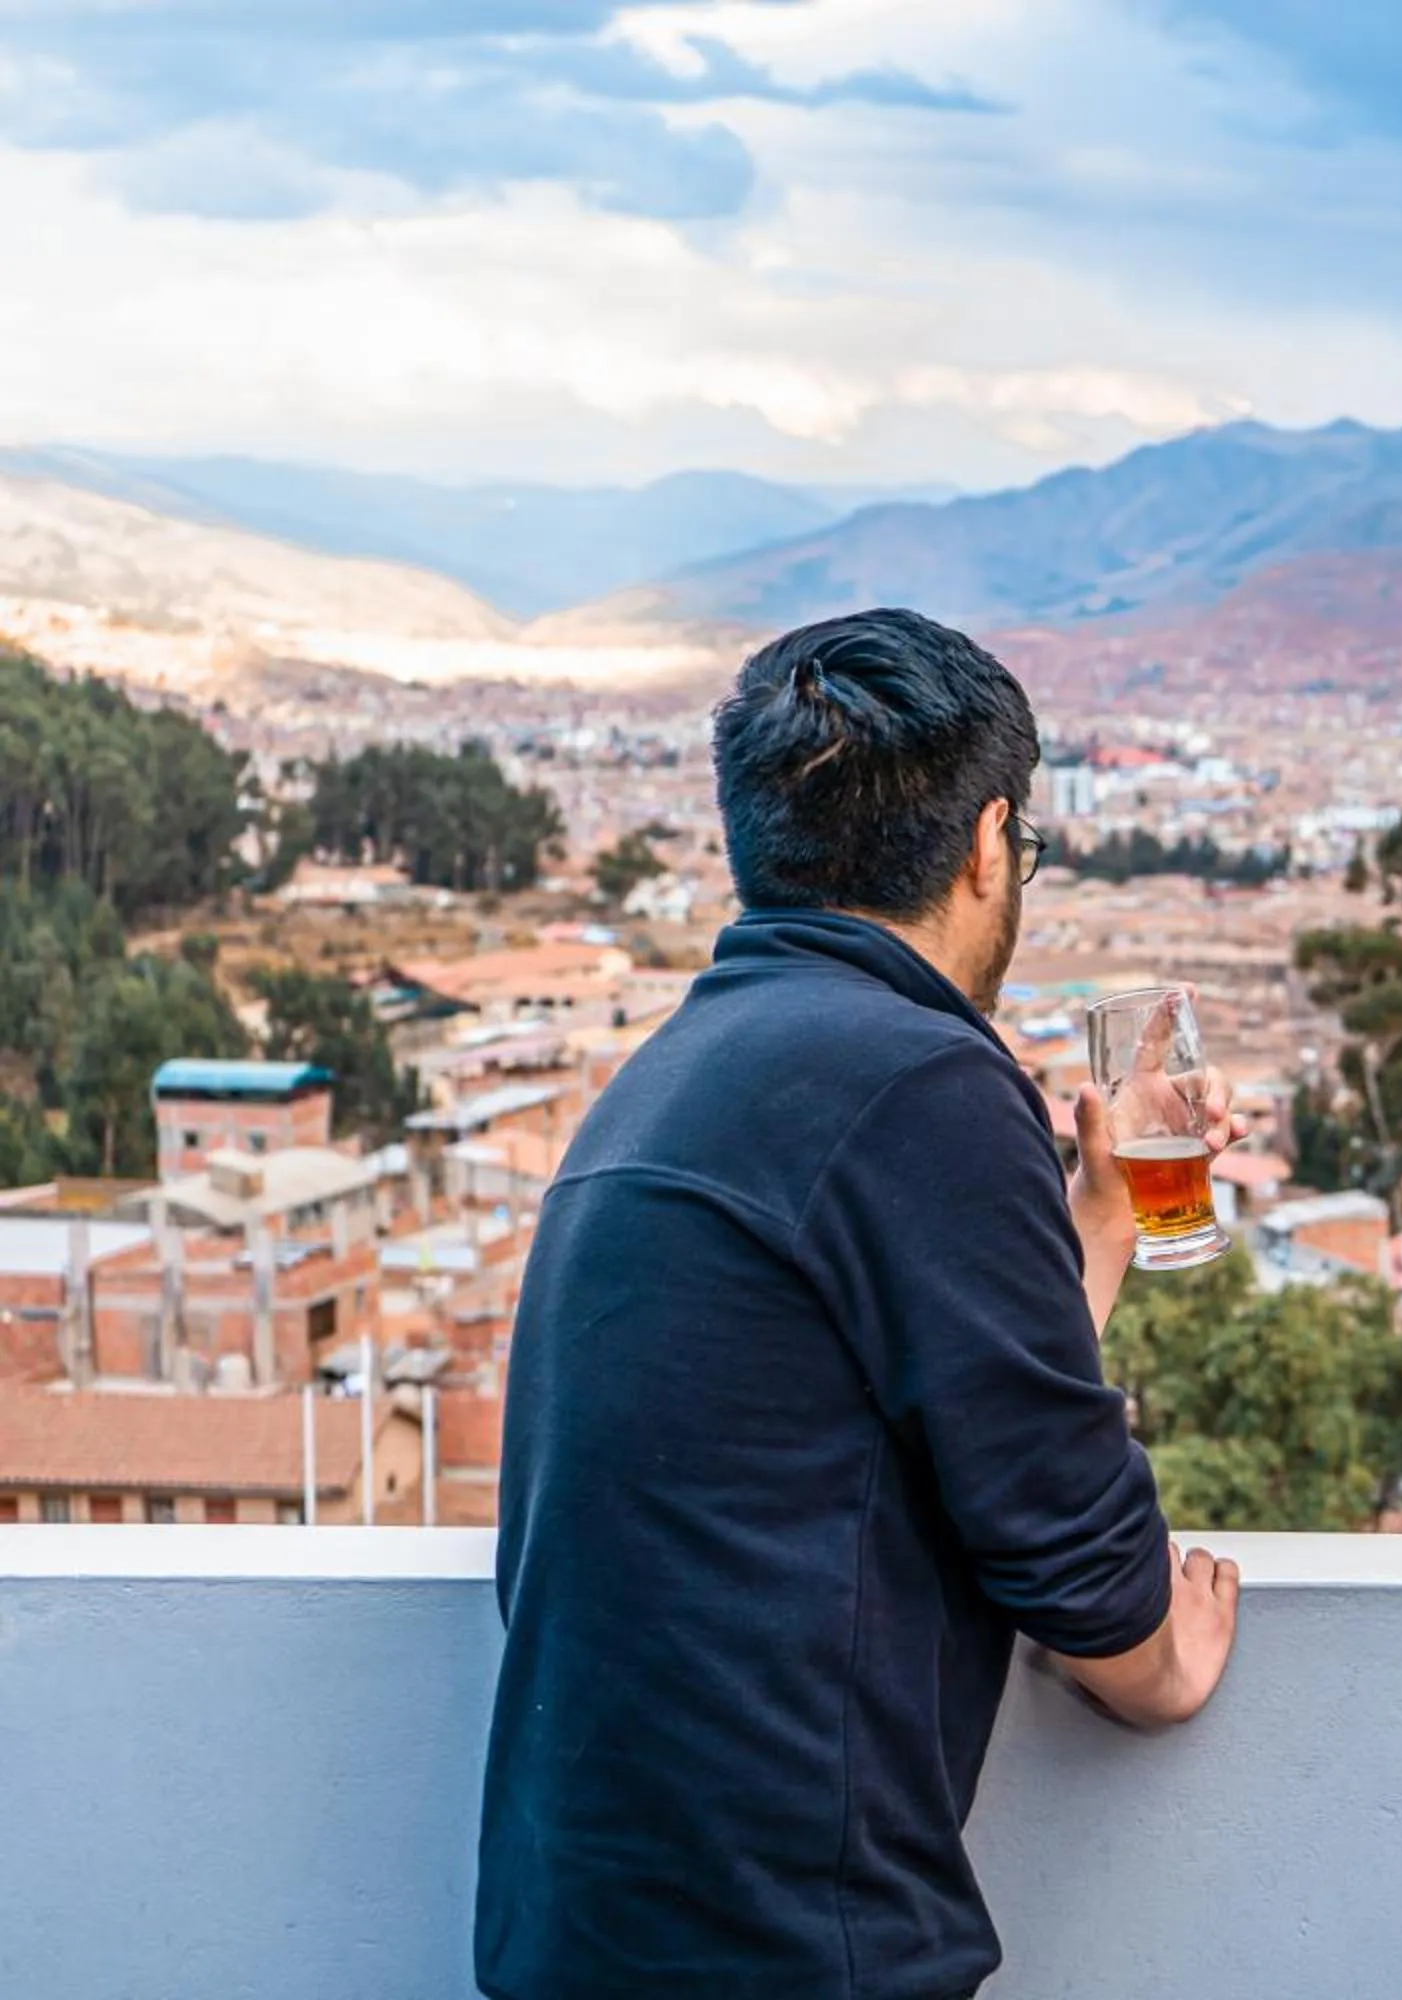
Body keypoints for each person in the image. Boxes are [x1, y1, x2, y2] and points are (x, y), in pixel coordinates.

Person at [478, 609, 1245, 2000]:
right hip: (782, 1954)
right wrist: (1157, 1662)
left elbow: (939, 1406)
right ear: (987, 842)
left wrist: (1100, 1217)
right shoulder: (920, 1082)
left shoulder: (683, 1070)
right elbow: (1063, 1532)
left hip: (589, 1935)